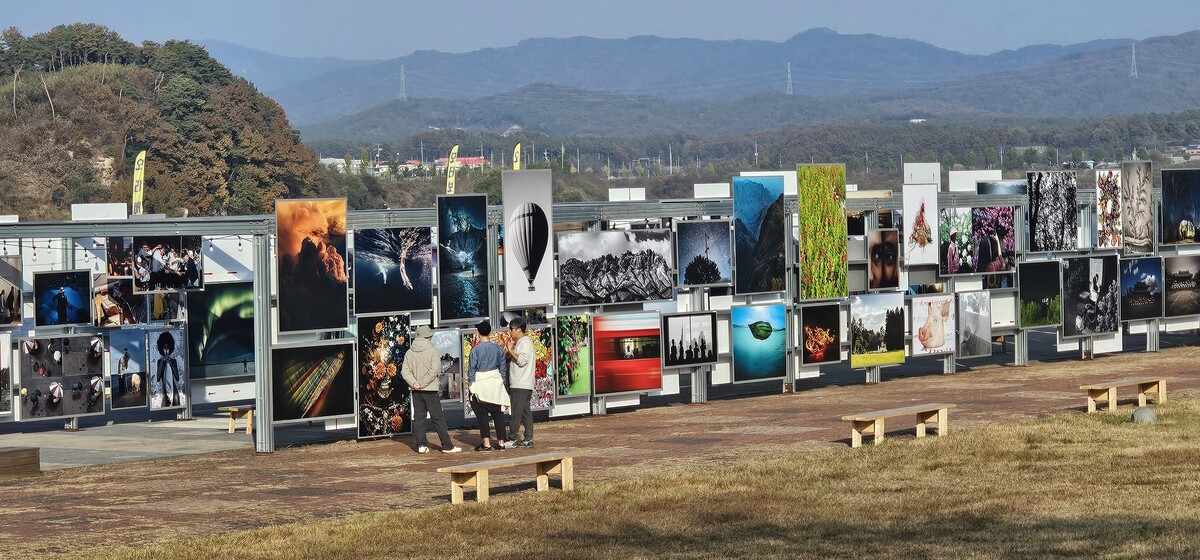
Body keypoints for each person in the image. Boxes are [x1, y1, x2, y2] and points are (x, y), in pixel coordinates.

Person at [400, 325, 461, 454]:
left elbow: (404, 371)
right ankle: (447, 446)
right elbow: (435, 370)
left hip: (415, 390)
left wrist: (414, 383)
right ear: (428, 337)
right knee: (437, 418)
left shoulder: (409, 352)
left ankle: (421, 445)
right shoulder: (433, 351)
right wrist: (422, 383)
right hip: (430, 390)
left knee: (419, 418)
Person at [465, 320, 509, 452]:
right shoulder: (498, 348)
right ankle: (501, 442)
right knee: (498, 412)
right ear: (490, 332)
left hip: (481, 380)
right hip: (495, 380)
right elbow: (503, 368)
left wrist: (471, 384)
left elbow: (471, 369)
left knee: (481, 412)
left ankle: (486, 443)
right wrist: (502, 381)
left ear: (478, 333)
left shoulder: (475, 350)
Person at [502, 317, 535, 449]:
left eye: (512, 329)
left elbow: (521, 361)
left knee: (516, 412)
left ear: (519, 329)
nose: (510, 331)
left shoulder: (524, 342)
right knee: (525, 412)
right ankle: (528, 438)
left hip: (520, 383)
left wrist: (510, 350)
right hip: (524, 383)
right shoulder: (522, 342)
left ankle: (513, 437)